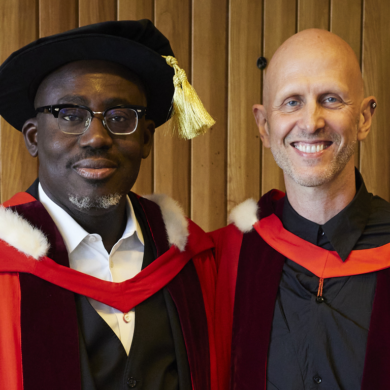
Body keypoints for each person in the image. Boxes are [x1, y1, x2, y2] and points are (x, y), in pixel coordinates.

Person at [0, 20, 217, 390]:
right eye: (70, 115)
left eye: (120, 117)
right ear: (34, 138)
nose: (97, 137)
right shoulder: (7, 261)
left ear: (146, 139)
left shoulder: (190, 258)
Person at [210, 29, 389, 390]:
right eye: (292, 101)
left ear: (365, 118)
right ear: (264, 126)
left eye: (331, 99)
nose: (310, 122)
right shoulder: (227, 259)